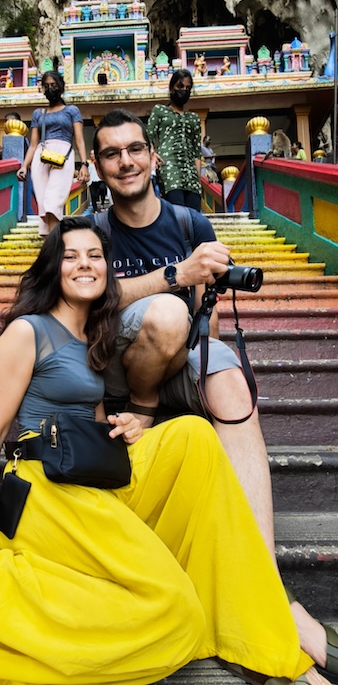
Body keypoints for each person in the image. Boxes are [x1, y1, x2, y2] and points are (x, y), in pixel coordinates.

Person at [0, 215, 321, 685]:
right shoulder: (27, 332)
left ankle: (258, 615)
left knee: (193, 436)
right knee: (175, 613)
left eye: (95, 256)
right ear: (53, 268)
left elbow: (93, 433)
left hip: (86, 479)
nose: (85, 264)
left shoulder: (91, 338)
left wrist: (126, 427)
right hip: (44, 489)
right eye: (71, 256)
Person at [91, 108, 337, 680]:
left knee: (226, 373)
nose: (125, 161)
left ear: (153, 157)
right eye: (111, 153)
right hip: (118, 376)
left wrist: (209, 371)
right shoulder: (92, 233)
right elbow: (83, 306)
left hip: (178, 356)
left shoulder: (189, 222)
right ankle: (149, 412)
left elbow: (210, 323)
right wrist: (176, 276)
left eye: (134, 149)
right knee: (170, 309)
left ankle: (266, 586)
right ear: (98, 167)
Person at [17, 71, 89, 236]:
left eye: (54, 85)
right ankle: (49, 241)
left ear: (61, 88)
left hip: (64, 154)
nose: (50, 89)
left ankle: (55, 245)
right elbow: (33, 143)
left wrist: (84, 164)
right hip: (41, 157)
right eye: (47, 86)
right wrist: (24, 166)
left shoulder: (72, 110)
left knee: (53, 201)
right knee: (43, 203)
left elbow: (79, 140)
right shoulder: (38, 113)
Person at [147, 69, 202, 211]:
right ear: (172, 88)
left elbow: (197, 152)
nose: (184, 90)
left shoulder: (194, 118)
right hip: (169, 167)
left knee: (194, 216)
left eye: (188, 88)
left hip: (191, 173)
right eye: (180, 86)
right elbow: (148, 136)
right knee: (176, 213)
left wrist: (197, 178)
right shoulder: (159, 110)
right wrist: (152, 153)